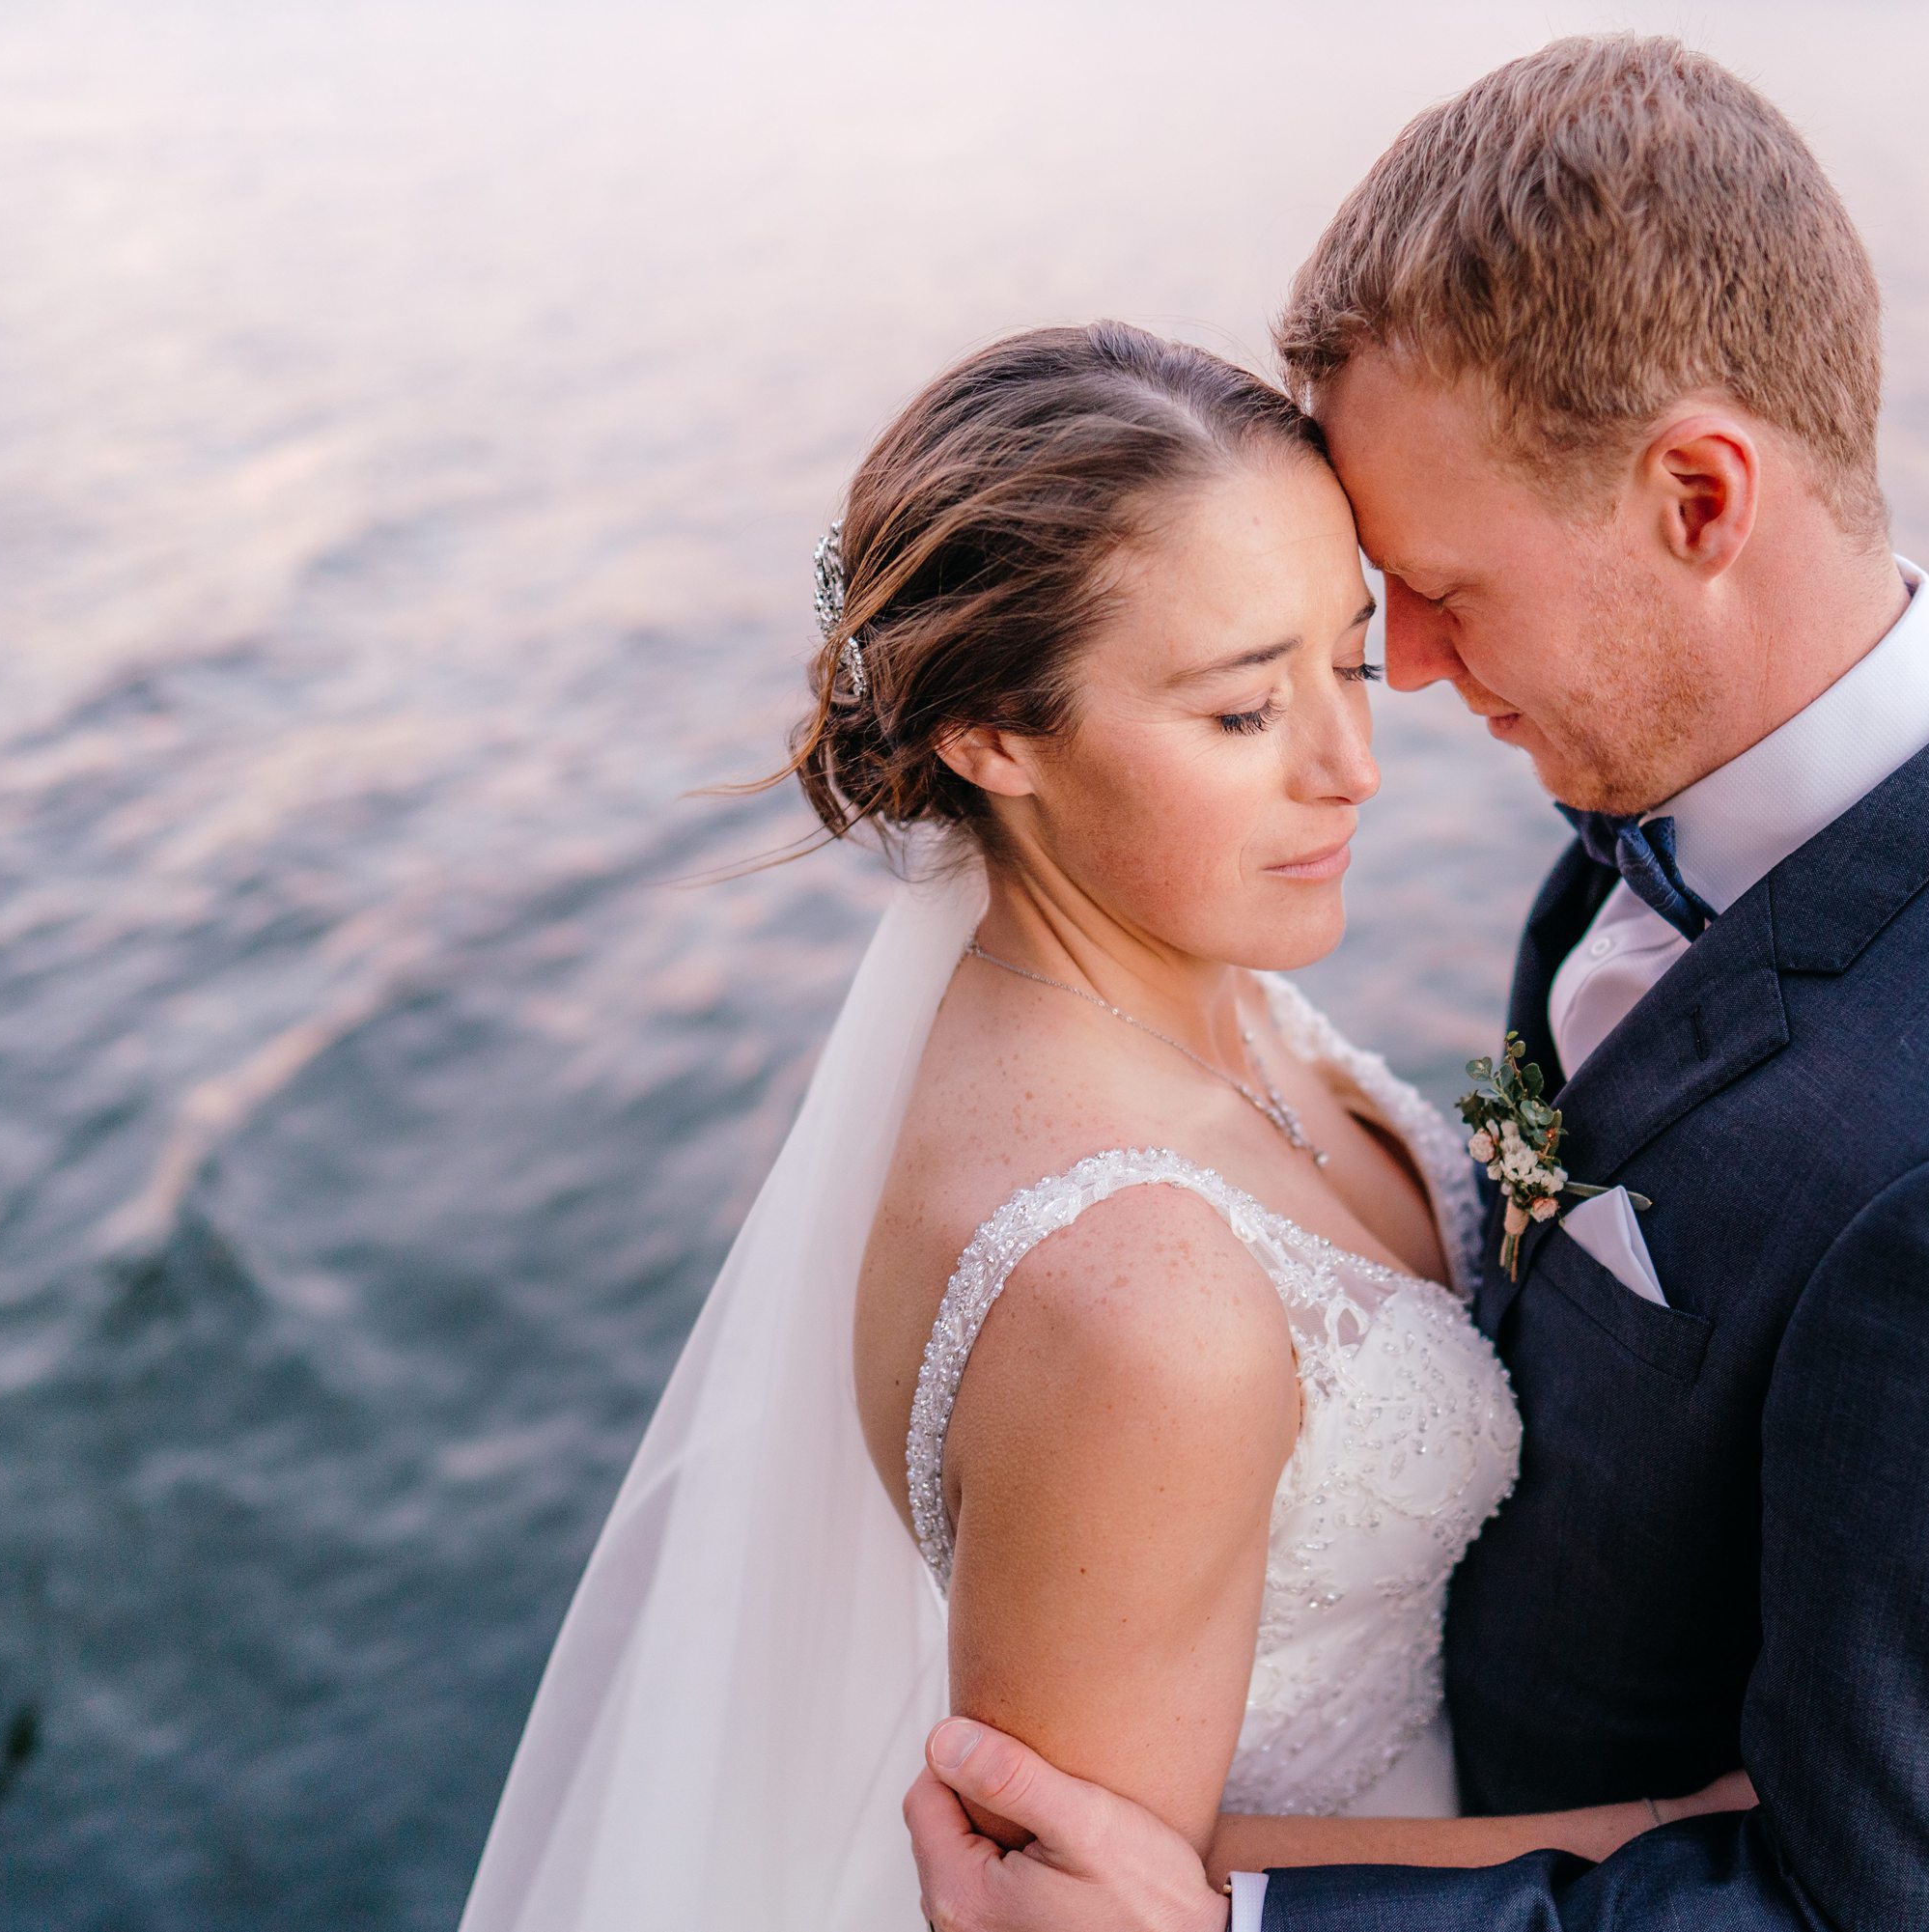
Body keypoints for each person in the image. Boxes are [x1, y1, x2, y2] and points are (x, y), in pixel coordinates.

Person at [905, 36, 1929, 1932]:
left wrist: (1241, 1923)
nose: (1400, 679)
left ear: (1700, 501)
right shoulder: (1656, 819)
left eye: (1447, 594)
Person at [457, 320, 1751, 1932]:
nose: (1352, 767)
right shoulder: (1140, 1302)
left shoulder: (1187, 970)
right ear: (996, 735)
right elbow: (1095, 1895)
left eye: (1345, 661)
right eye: (1238, 714)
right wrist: (1662, 1829)